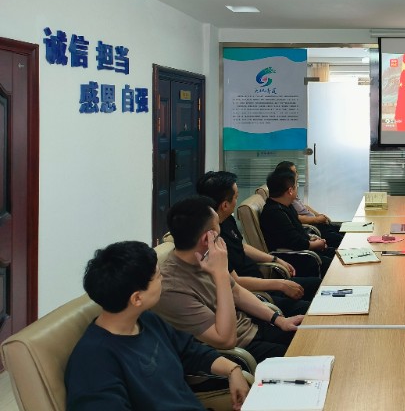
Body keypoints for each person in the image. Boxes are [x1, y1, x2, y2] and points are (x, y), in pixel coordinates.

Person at [65, 241, 250, 411]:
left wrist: (232, 370)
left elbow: (189, 351)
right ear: (137, 298)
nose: (163, 280)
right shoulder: (93, 361)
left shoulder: (146, 320)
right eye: (159, 276)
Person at [154, 196, 304, 362]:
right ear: (207, 238)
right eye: (218, 225)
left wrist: (279, 320)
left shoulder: (205, 256)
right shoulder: (171, 288)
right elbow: (226, 340)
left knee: (307, 337)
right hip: (235, 353)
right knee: (303, 356)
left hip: (251, 328)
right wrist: (220, 274)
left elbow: (237, 292)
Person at [196, 170, 320, 313]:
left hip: (262, 282)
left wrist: (275, 259)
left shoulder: (226, 219)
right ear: (224, 205)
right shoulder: (212, 239)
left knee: (318, 286)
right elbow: (235, 282)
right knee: (309, 309)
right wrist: (280, 284)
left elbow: (241, 246)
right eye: (236, 197)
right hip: (253, 295)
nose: (237, 201)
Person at [259, 170, 335, 277]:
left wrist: (312, 238)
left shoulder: (286, 206)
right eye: (296, 186)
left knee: (338, 254)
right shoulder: (275, 213)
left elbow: (297, 232)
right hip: (295, 258)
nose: (297, 189)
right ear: (290, 190)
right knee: (336, 266)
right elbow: (295, 242)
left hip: (303, 250)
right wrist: (316, 244)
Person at [273, 161, 344, 248]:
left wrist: (318, 215)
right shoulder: (282, 205)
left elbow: (303, 207)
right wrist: (316, 220)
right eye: (293, 173)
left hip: (311, 235)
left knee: (343, 230)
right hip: (312, 229)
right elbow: (296, 241)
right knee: (342, 240)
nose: (296, 175)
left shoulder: (288, 202)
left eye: (296, 172)